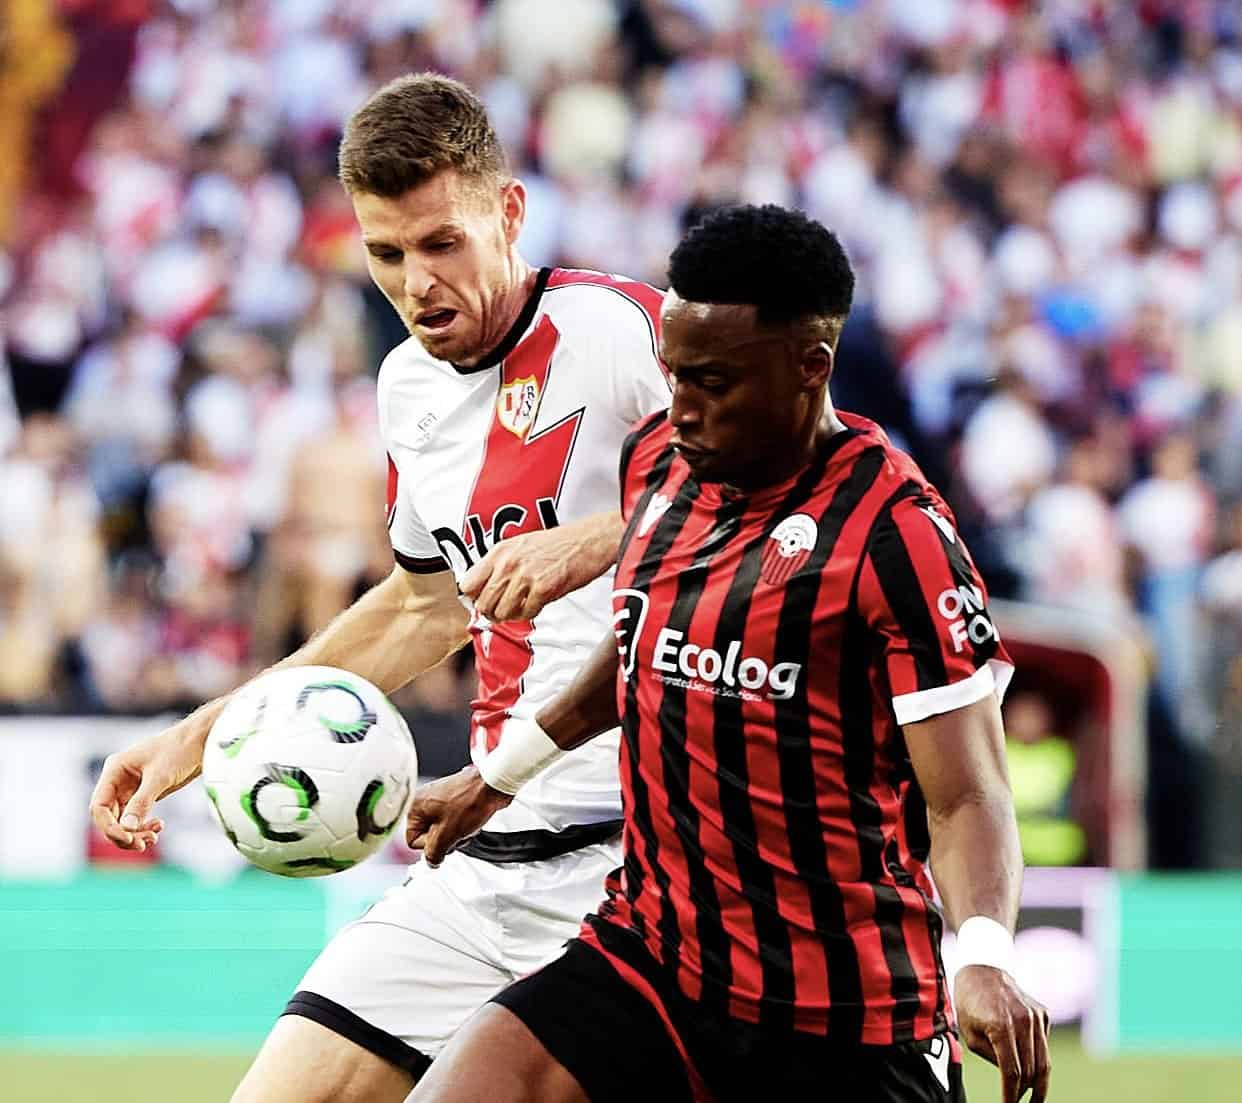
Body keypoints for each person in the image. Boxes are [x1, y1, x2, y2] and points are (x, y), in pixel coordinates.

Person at [88, 73, 672, 1103]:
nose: (416, 281)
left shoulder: (625, 332)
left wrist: (598, 537)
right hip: (483, 859)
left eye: (442, 242)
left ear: (510, 211)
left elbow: (791, 495)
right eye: (387, 252)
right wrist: (203, 733)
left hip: (643, 870)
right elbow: (421, 605)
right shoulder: (407, 386)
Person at [409, 205, 1050, 1103]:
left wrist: (981, 953)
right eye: (673, 375)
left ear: (809, 368)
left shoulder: (895, 535)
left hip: (841, 1017)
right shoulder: (660, 468)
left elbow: (969, 791)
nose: (680, 408)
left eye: (712, 382)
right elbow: (640, 647)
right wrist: (499, 775)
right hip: (652, 958)